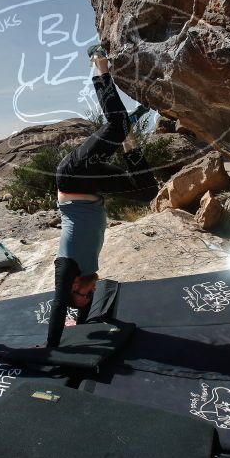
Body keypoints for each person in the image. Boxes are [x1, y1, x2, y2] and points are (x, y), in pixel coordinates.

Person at [46, 52, 159, 347]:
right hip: (94, 187)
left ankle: (99, 69)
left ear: (73, 287)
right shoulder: (88, 275)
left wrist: (50, 350)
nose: (90, 291)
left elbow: (59, 306)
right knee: (147, 192)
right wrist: (81, 322)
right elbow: (82, 306)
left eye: (83, 295)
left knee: (117, 124)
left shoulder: (67, 267)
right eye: (89, 296)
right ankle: (130, 141)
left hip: (71, 177)